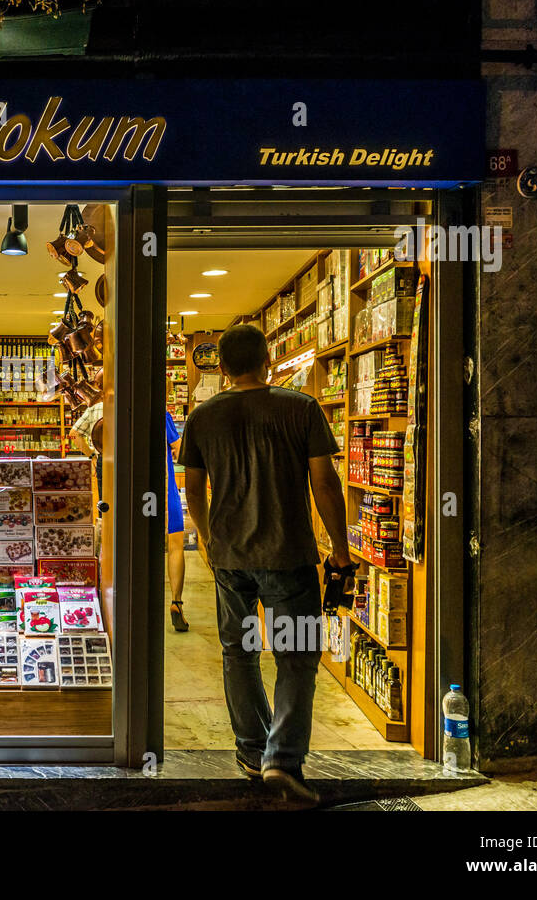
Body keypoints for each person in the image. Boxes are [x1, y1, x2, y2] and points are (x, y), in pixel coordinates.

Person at [178, 323, 351, 807]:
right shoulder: (301, 408)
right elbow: (325, 483)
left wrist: (209, 541)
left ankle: (252, 752)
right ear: (268, 358)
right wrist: (338, 546)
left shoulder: (203, 417)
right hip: (288, 553)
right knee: (296, 657)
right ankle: (283, 758)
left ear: (223, 367)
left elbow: (192, 488)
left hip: (231, 555)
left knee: (239, 653)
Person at [165, 411, 188, 632]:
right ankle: (176, 601)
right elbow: (180, 447)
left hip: (135, 492)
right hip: (164, 490)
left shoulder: (119, 410)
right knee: (175, 546)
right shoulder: (162, 415)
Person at [69, 395, 104, 491]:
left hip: (103, 459)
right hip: (127, 459)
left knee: (104, 501)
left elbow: (74, 434)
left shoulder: (95, 408)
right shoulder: (127, 403)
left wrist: (92, 456)